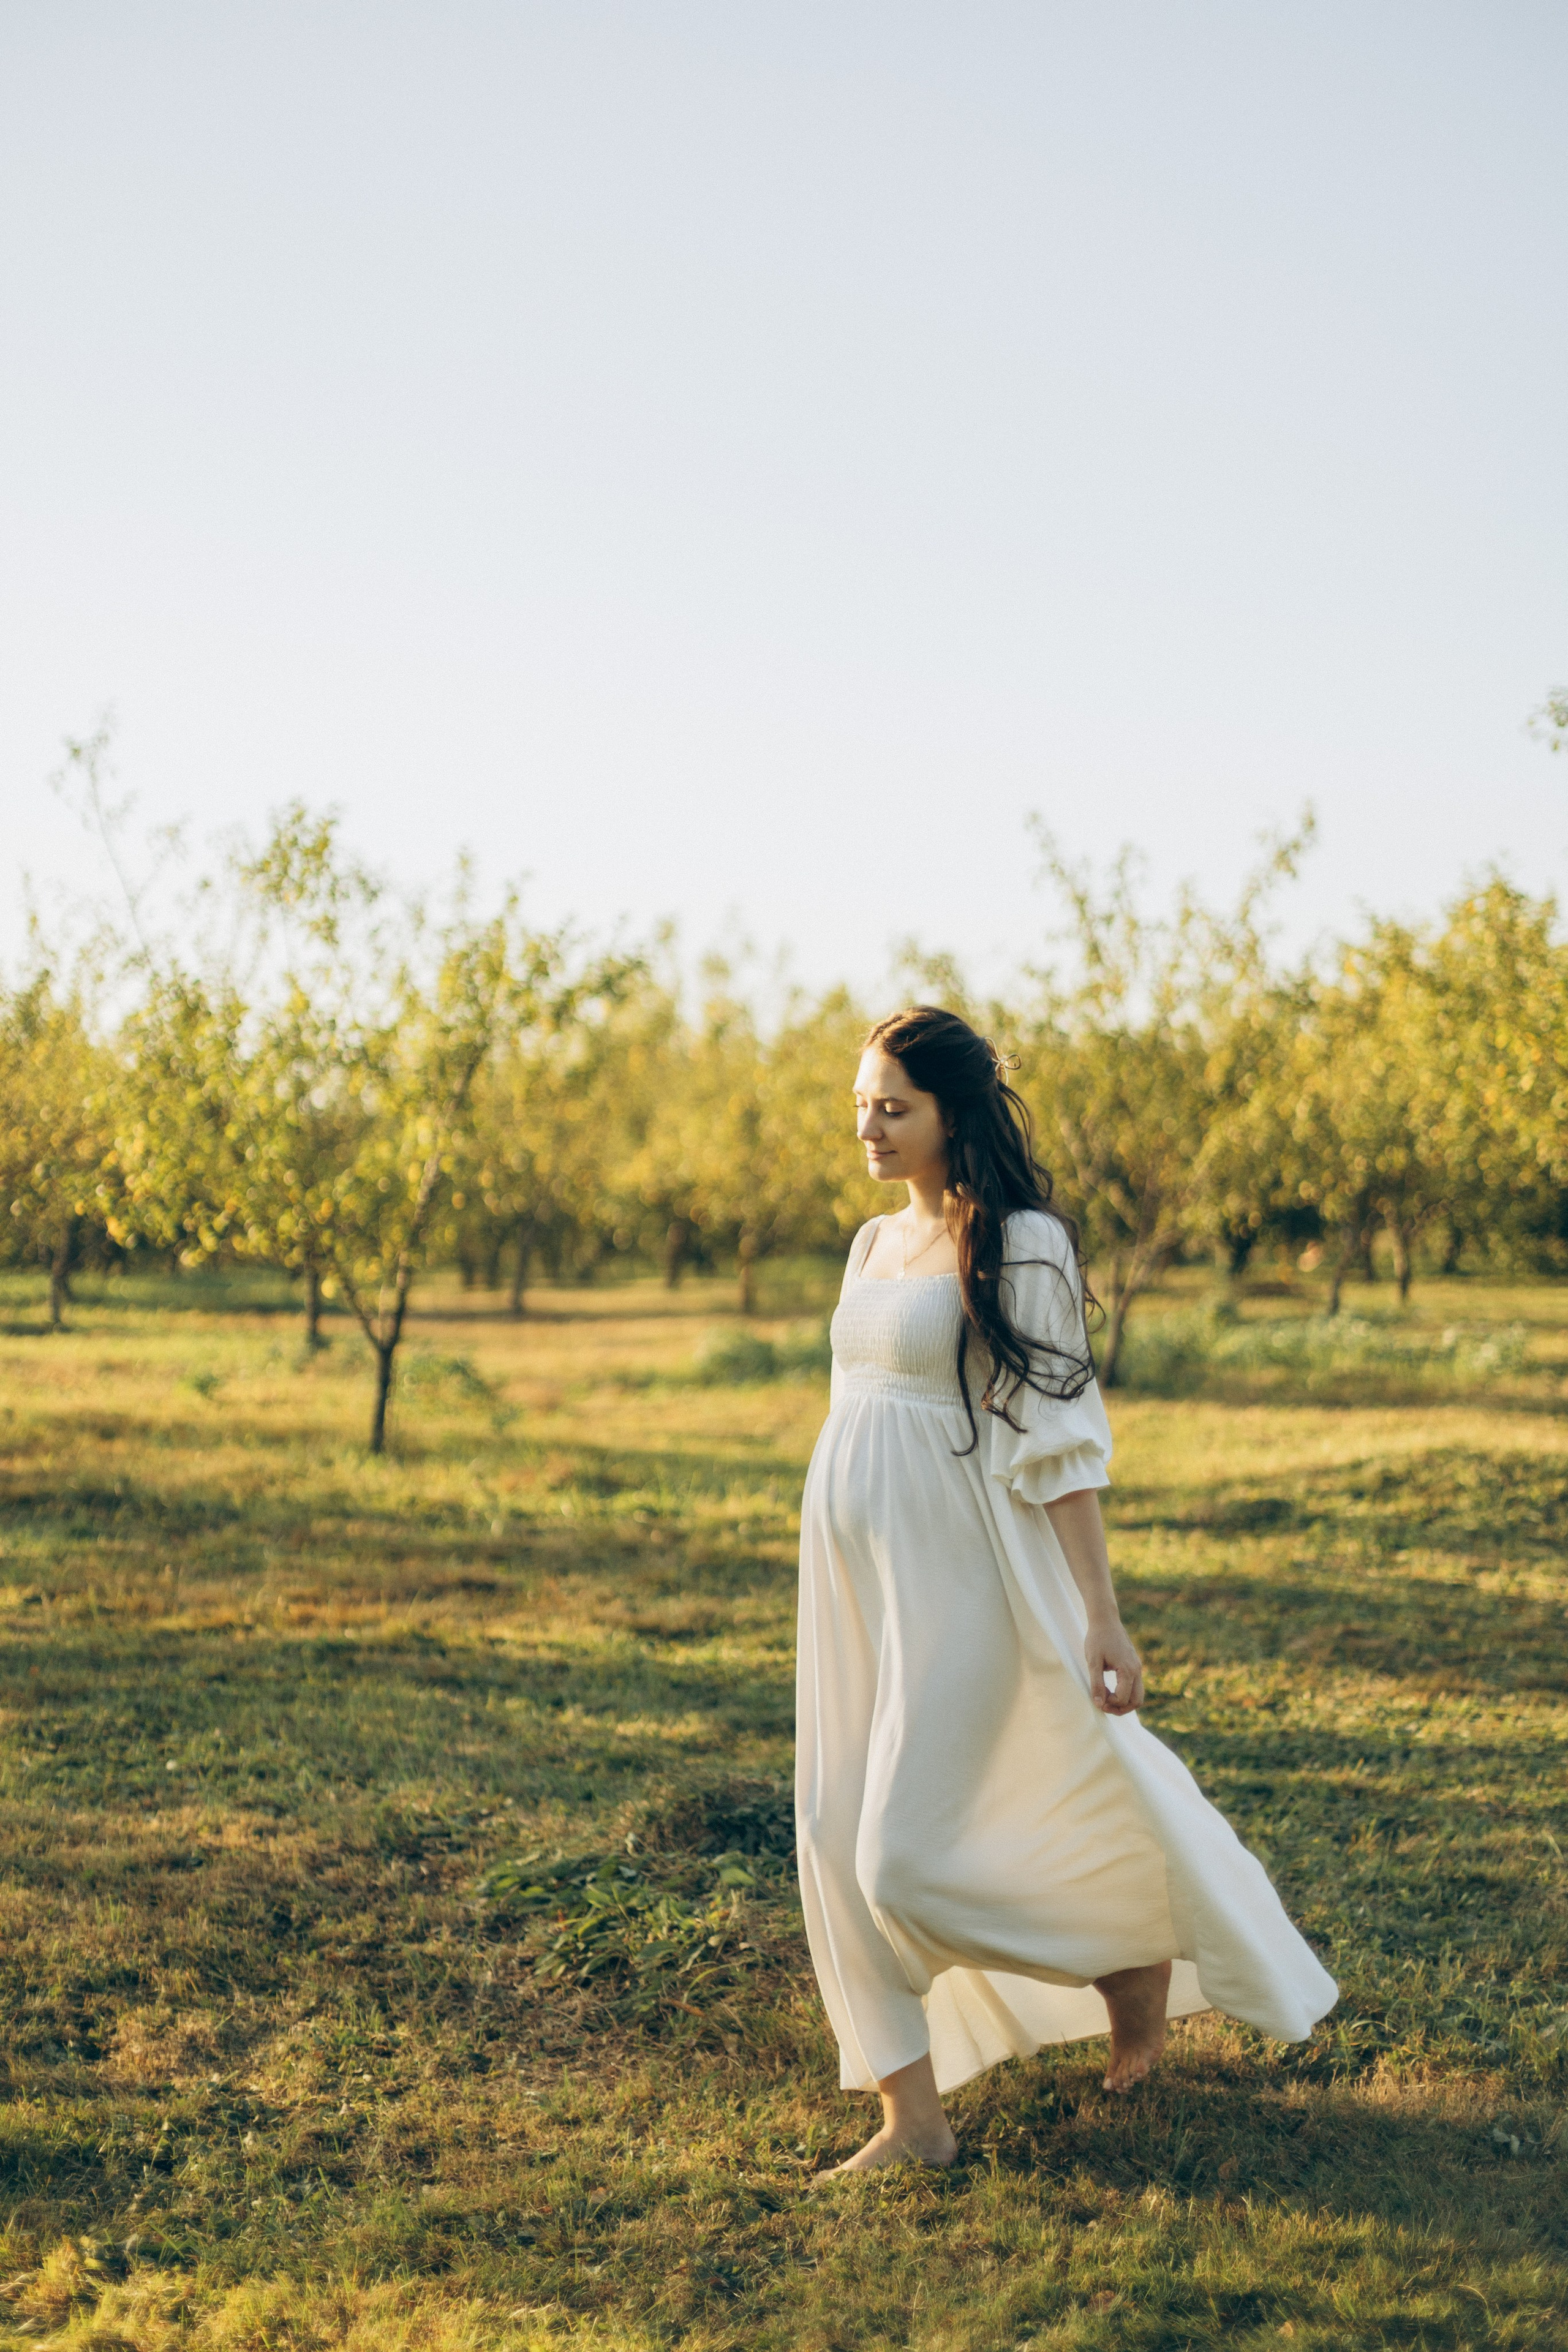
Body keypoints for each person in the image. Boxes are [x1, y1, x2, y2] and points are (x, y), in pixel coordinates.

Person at [795, 1006, 1336, 2177]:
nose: (871, 1129)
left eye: (895, 1108)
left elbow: (1059, 1444)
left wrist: (1101, 1611)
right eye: (861, 1106)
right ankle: (913, 2121)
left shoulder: (1022, 1243)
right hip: (851, 1579)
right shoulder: (869, 1246)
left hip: (966, 1575)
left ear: (954, 1115)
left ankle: (1125, 1956)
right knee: (832, 1831)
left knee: (902, 1861)